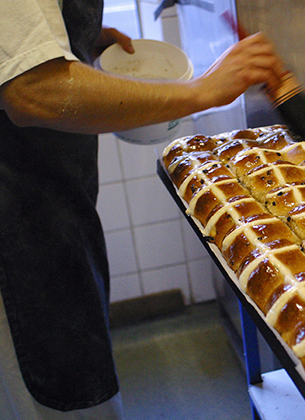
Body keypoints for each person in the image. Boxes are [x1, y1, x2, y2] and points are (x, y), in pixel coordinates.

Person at [0, 1, 284, 419]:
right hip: (15, 227)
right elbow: (33, 90)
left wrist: (58, 35)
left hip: (49, 195)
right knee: (62, 401)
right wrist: (201, 90)